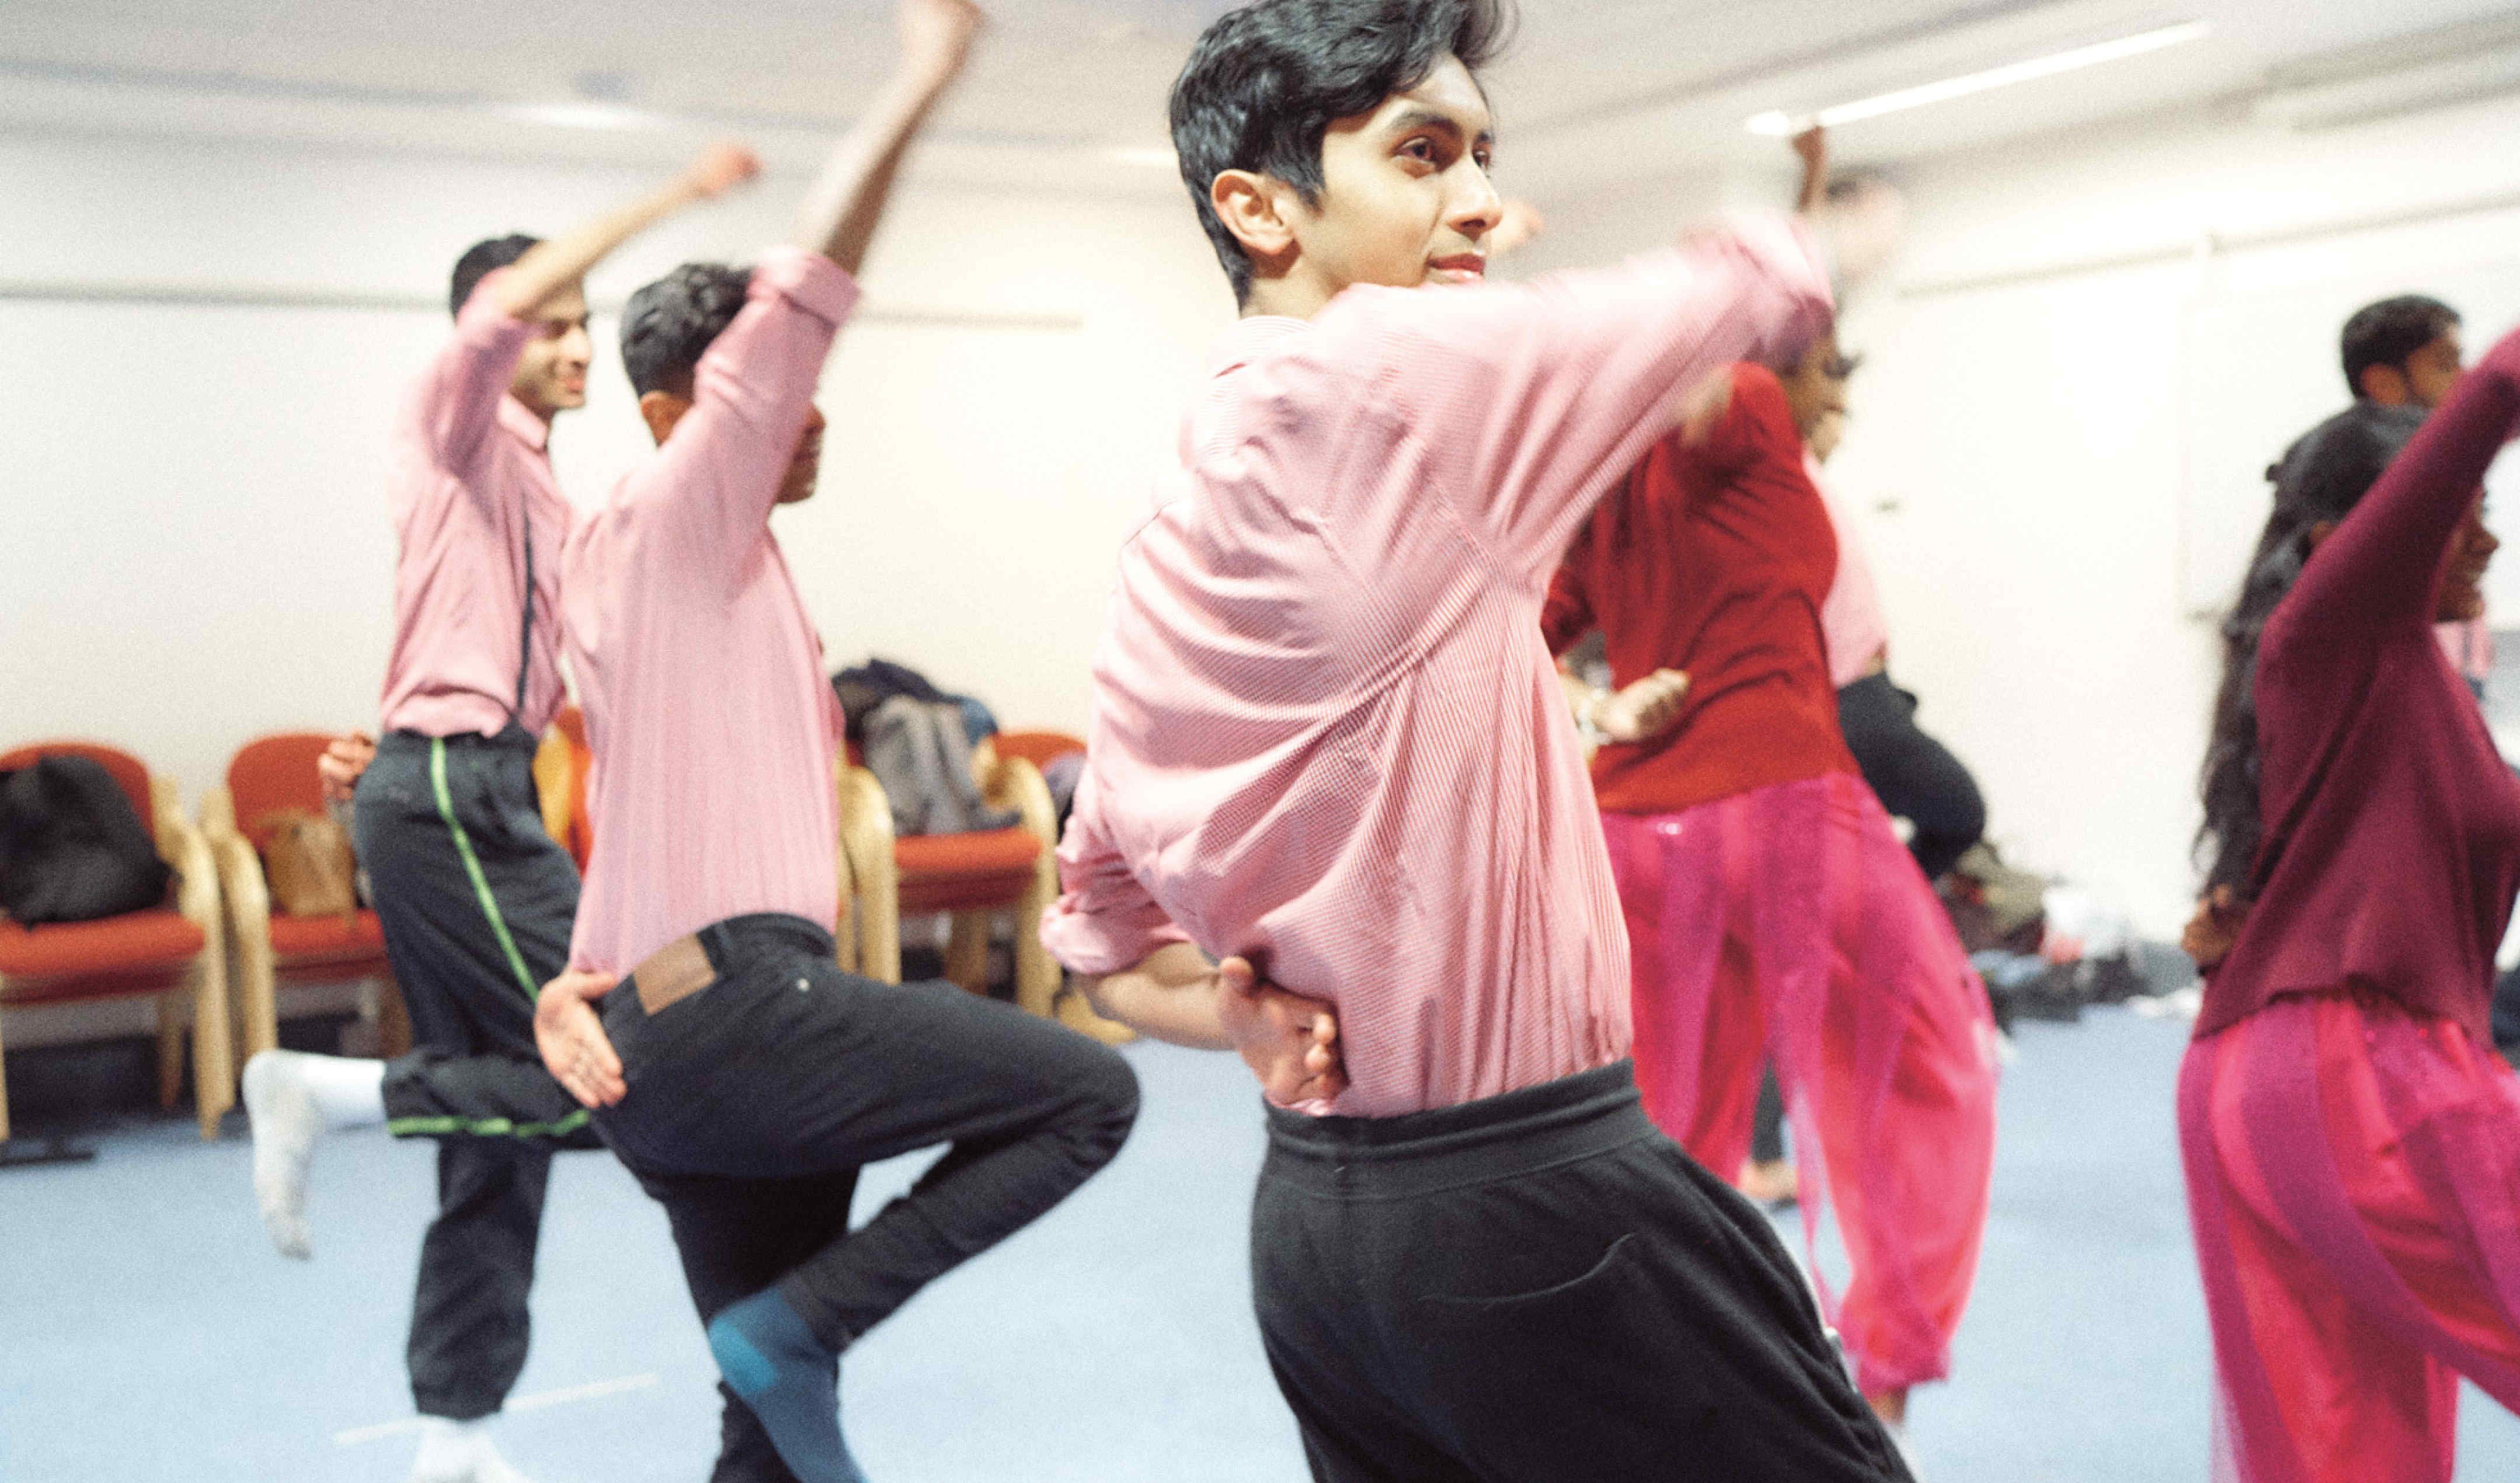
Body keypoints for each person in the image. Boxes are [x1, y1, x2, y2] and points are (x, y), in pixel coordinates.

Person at [1038, 1, 1912, 1477]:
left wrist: (1236, 1017)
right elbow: (1744, 287)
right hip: (1534, 1207)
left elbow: (1106, 953)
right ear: (1257, 209)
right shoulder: (1389, 380)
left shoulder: (1166, 545)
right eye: (1424, 155)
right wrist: (1844, 214)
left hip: (1323, 1240)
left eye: (1483, 156)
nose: (1484, 203)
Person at [521, 7, 1140, 1480]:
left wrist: (569, 980)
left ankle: (790, 1346)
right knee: (1088, 1092)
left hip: (657, 1029)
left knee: (772, 1433)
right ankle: (806, 1326)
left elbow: (633, 804)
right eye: (771, 395)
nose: (808, 416)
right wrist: (924, 78)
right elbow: (809, 286)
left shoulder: (666, 560)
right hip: (742, 1014)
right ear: (682, 413)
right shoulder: (683, 509)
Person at [241, 143, 757, 1483]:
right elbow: (499, 314)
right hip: (453, 800)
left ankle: (455, 1435)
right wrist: (674, 200)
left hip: (467, 792)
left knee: (501, 1143)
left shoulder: (542, 487)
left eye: (591, 327)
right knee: (617, 1067)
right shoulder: (455, 426)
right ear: (503, 331)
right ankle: (331, 1092)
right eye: (564, 323)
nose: (580, 345)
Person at [1544, 330, 2000, 1439]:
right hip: (1784, 810)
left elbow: (1526, 630)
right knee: (1937, 1075)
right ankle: (1879, 1382)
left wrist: (1602, 710)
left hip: (1638, 837)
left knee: (1670, 1134)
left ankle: (1655, 1402)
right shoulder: (1742, 407)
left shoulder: (1601, 476)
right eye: (1826, 371)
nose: (1830, 395)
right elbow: (1730, 347)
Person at [2181, 319, 2520, 1482]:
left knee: (2358, 1457)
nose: (2486, 530)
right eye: (2459, 507)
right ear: (2347, 540)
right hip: (2351, 1076)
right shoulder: (2332, 631)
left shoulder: (2410, 678)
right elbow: (2490, 398)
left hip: (2318, 1071)